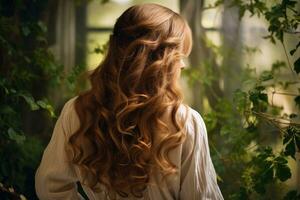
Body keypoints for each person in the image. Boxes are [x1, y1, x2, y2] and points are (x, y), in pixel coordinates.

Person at [35, 3, 224, 200]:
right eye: (180, 55)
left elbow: (50, 187)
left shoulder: (77, 112)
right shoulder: (185, 122)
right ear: (160, 60)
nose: (183, 65)